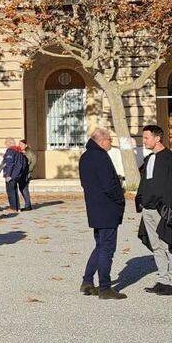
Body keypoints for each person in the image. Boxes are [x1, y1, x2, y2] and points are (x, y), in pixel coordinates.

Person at [135, 125, 172, 296]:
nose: (143, 141)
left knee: (169, 243)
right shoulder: (148, 158)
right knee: (156, 246)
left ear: (157, 138)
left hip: (164, 210)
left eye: (146, 137)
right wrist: (141, 201)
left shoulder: (171, 158)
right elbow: (144, 183)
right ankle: (163, 280)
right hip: (148, 210)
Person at [78, 128, 126, 299]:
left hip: (94, 207)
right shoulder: (100, 156)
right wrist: (120, 198)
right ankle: (105, 287)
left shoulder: (85, 157)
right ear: (102, 141)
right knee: (107, 248)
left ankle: (87, 281)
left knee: (100, 246)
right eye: (109, 140)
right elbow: (108, 185)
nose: (111, 144)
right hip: (107, 209)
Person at [1, 138, 30, 213]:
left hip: (11, 175)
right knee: (15, 191)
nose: (6, 146)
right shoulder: (19, 151)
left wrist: (8, 175)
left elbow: (10, 163)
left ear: (10, 143)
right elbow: (22, 164)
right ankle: (17, 208)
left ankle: (13, 208)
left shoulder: (10, 150)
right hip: (17, 174)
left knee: (11, 191)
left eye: (6, 144)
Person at [18, 138, 35, 210]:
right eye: (19, 144)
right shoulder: (21, 151)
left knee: (24, 189)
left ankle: (28, 206)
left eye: (21, 144)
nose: (20, 146)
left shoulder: (29, 152)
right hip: (22, 173)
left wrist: (28, 171)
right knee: (22, 188)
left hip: (26, 173)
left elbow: (33, 162)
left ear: (25, 145)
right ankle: (28, 205)